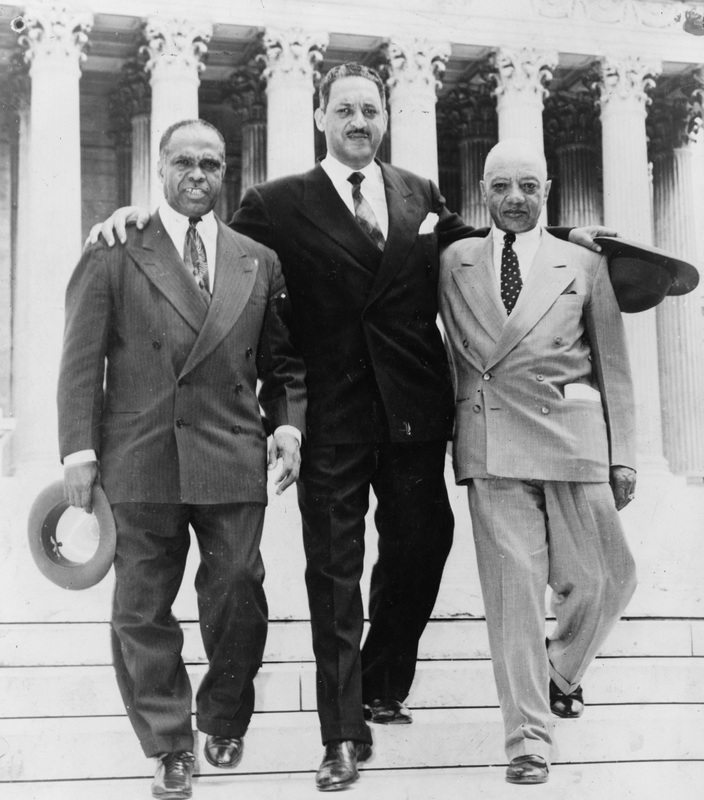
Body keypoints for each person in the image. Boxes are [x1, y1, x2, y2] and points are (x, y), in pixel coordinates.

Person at [89, 63, 614, 792]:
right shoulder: (275, 203)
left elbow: (493, 250)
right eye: (346, 110)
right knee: (334, 582)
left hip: (413, 415)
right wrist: (136, 220)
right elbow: (202, 257)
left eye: (371, 110)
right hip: (329, 420)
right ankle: (342, 735)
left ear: (384, 119)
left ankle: (380, 678)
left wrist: (565, 234)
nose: (360, 122)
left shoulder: (420, 196)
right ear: (320, 117)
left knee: (423, 547)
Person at [59, 119, 307, 799]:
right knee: (141, 607)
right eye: (185, 163)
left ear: (226, 173)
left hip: (230, 453)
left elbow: (284, 361)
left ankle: (224, 714)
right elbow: (80, 359)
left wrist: (287, 428)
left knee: (236, 592)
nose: (199, 176)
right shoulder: (115, 248)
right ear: (160, 167)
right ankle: (170, 743)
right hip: (141, 454)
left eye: (213, 165)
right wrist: (77, 450)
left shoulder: (257, 258)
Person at [439, 139, 637, 786]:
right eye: (502, 187)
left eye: (529, 186)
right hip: (491, 441)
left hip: (572, 438)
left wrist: (625, 455)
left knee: (610, 577)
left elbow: (614, 363)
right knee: (514, 597)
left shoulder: (584, 263)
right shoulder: (452, 261)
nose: (515, 198)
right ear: (484, 194)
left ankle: (557, 673)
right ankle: (528, 739)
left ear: (547, 191)